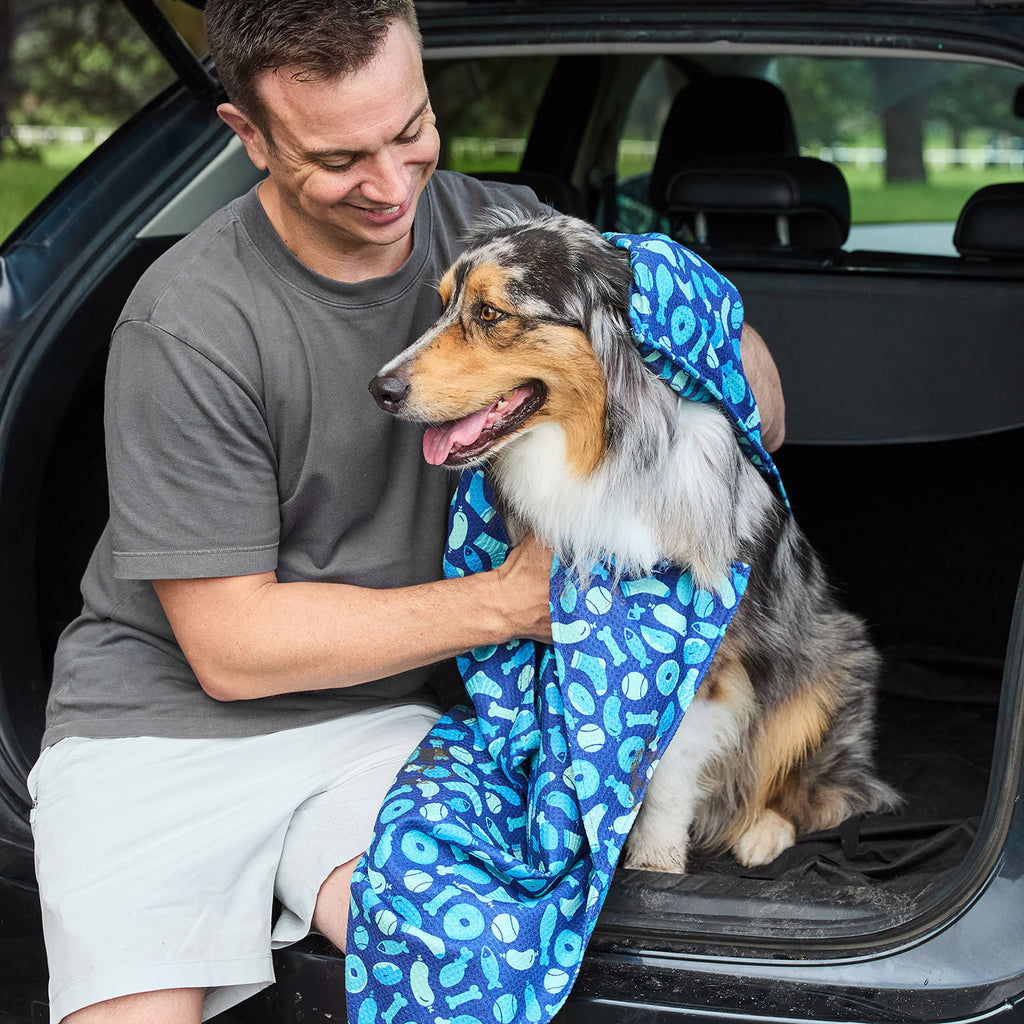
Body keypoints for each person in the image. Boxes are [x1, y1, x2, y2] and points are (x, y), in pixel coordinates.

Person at [28, 2, 786, 1022]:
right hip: (157, 729)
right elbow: (231, 648)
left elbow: (759, 413)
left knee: (460, 966)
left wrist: (692, 320)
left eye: (411, 130)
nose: (389, 187)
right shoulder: (188, 320)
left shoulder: (511, 236)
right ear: (246, 136)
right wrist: (515, 603)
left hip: (393, 720)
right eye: (340, 157)